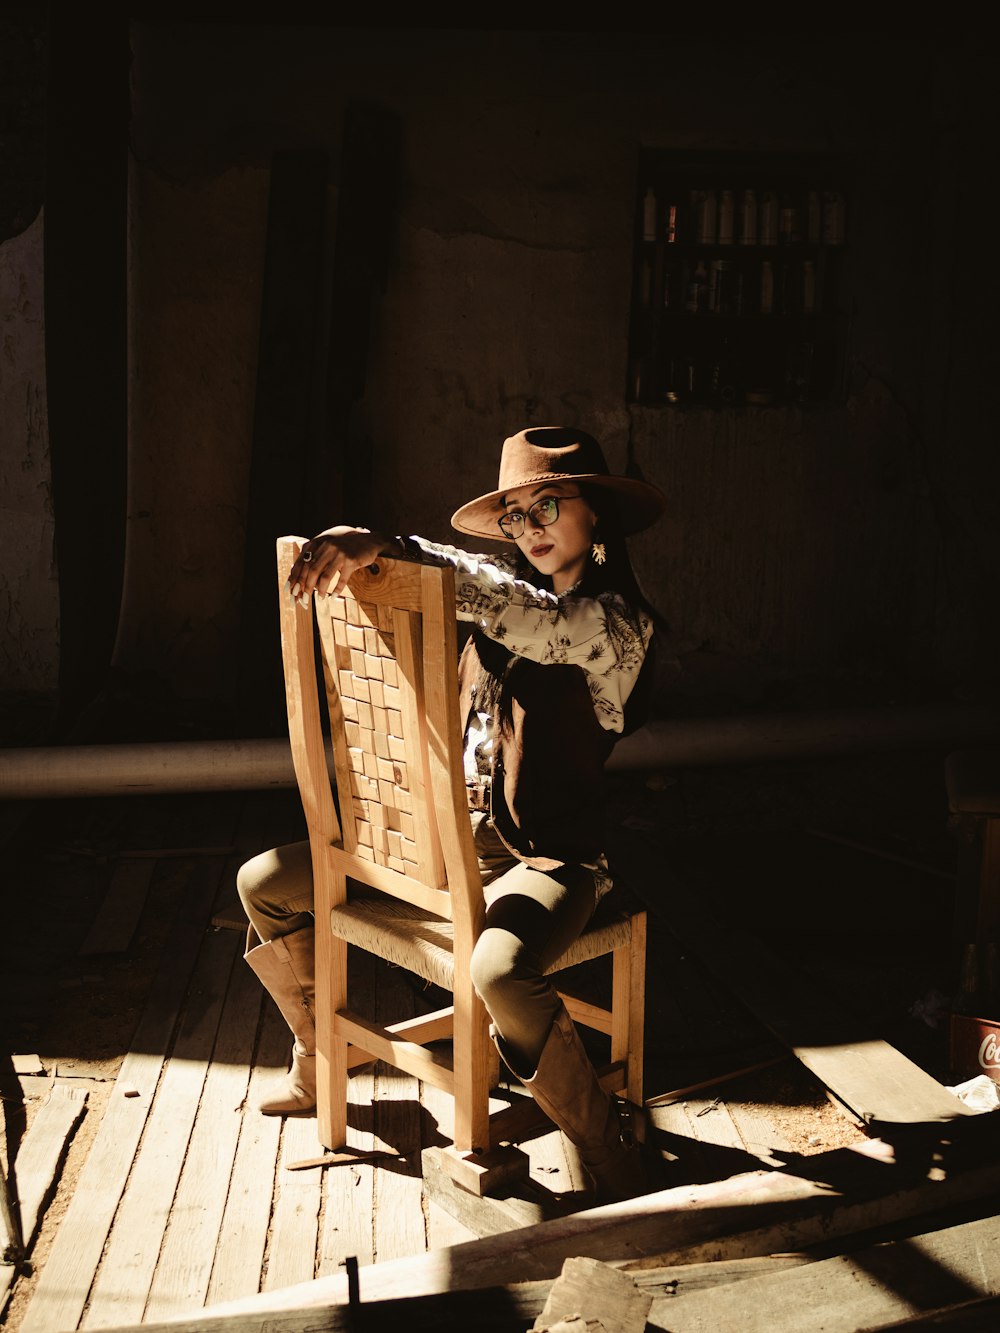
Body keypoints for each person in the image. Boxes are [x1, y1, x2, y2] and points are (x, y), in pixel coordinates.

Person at [237, 426, 666, 1201]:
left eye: (548, 505)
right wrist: (380, 556)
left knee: (498, 969)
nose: (529, 526)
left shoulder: (616, 627)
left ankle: (606, 1147)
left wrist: (394, 547)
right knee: (262, 881)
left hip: (550, 858)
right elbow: (487, 594)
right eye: (515, 515)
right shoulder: (492, 607)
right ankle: (316, 1055)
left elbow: (521, 612)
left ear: (594, 513)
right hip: (447, 847)